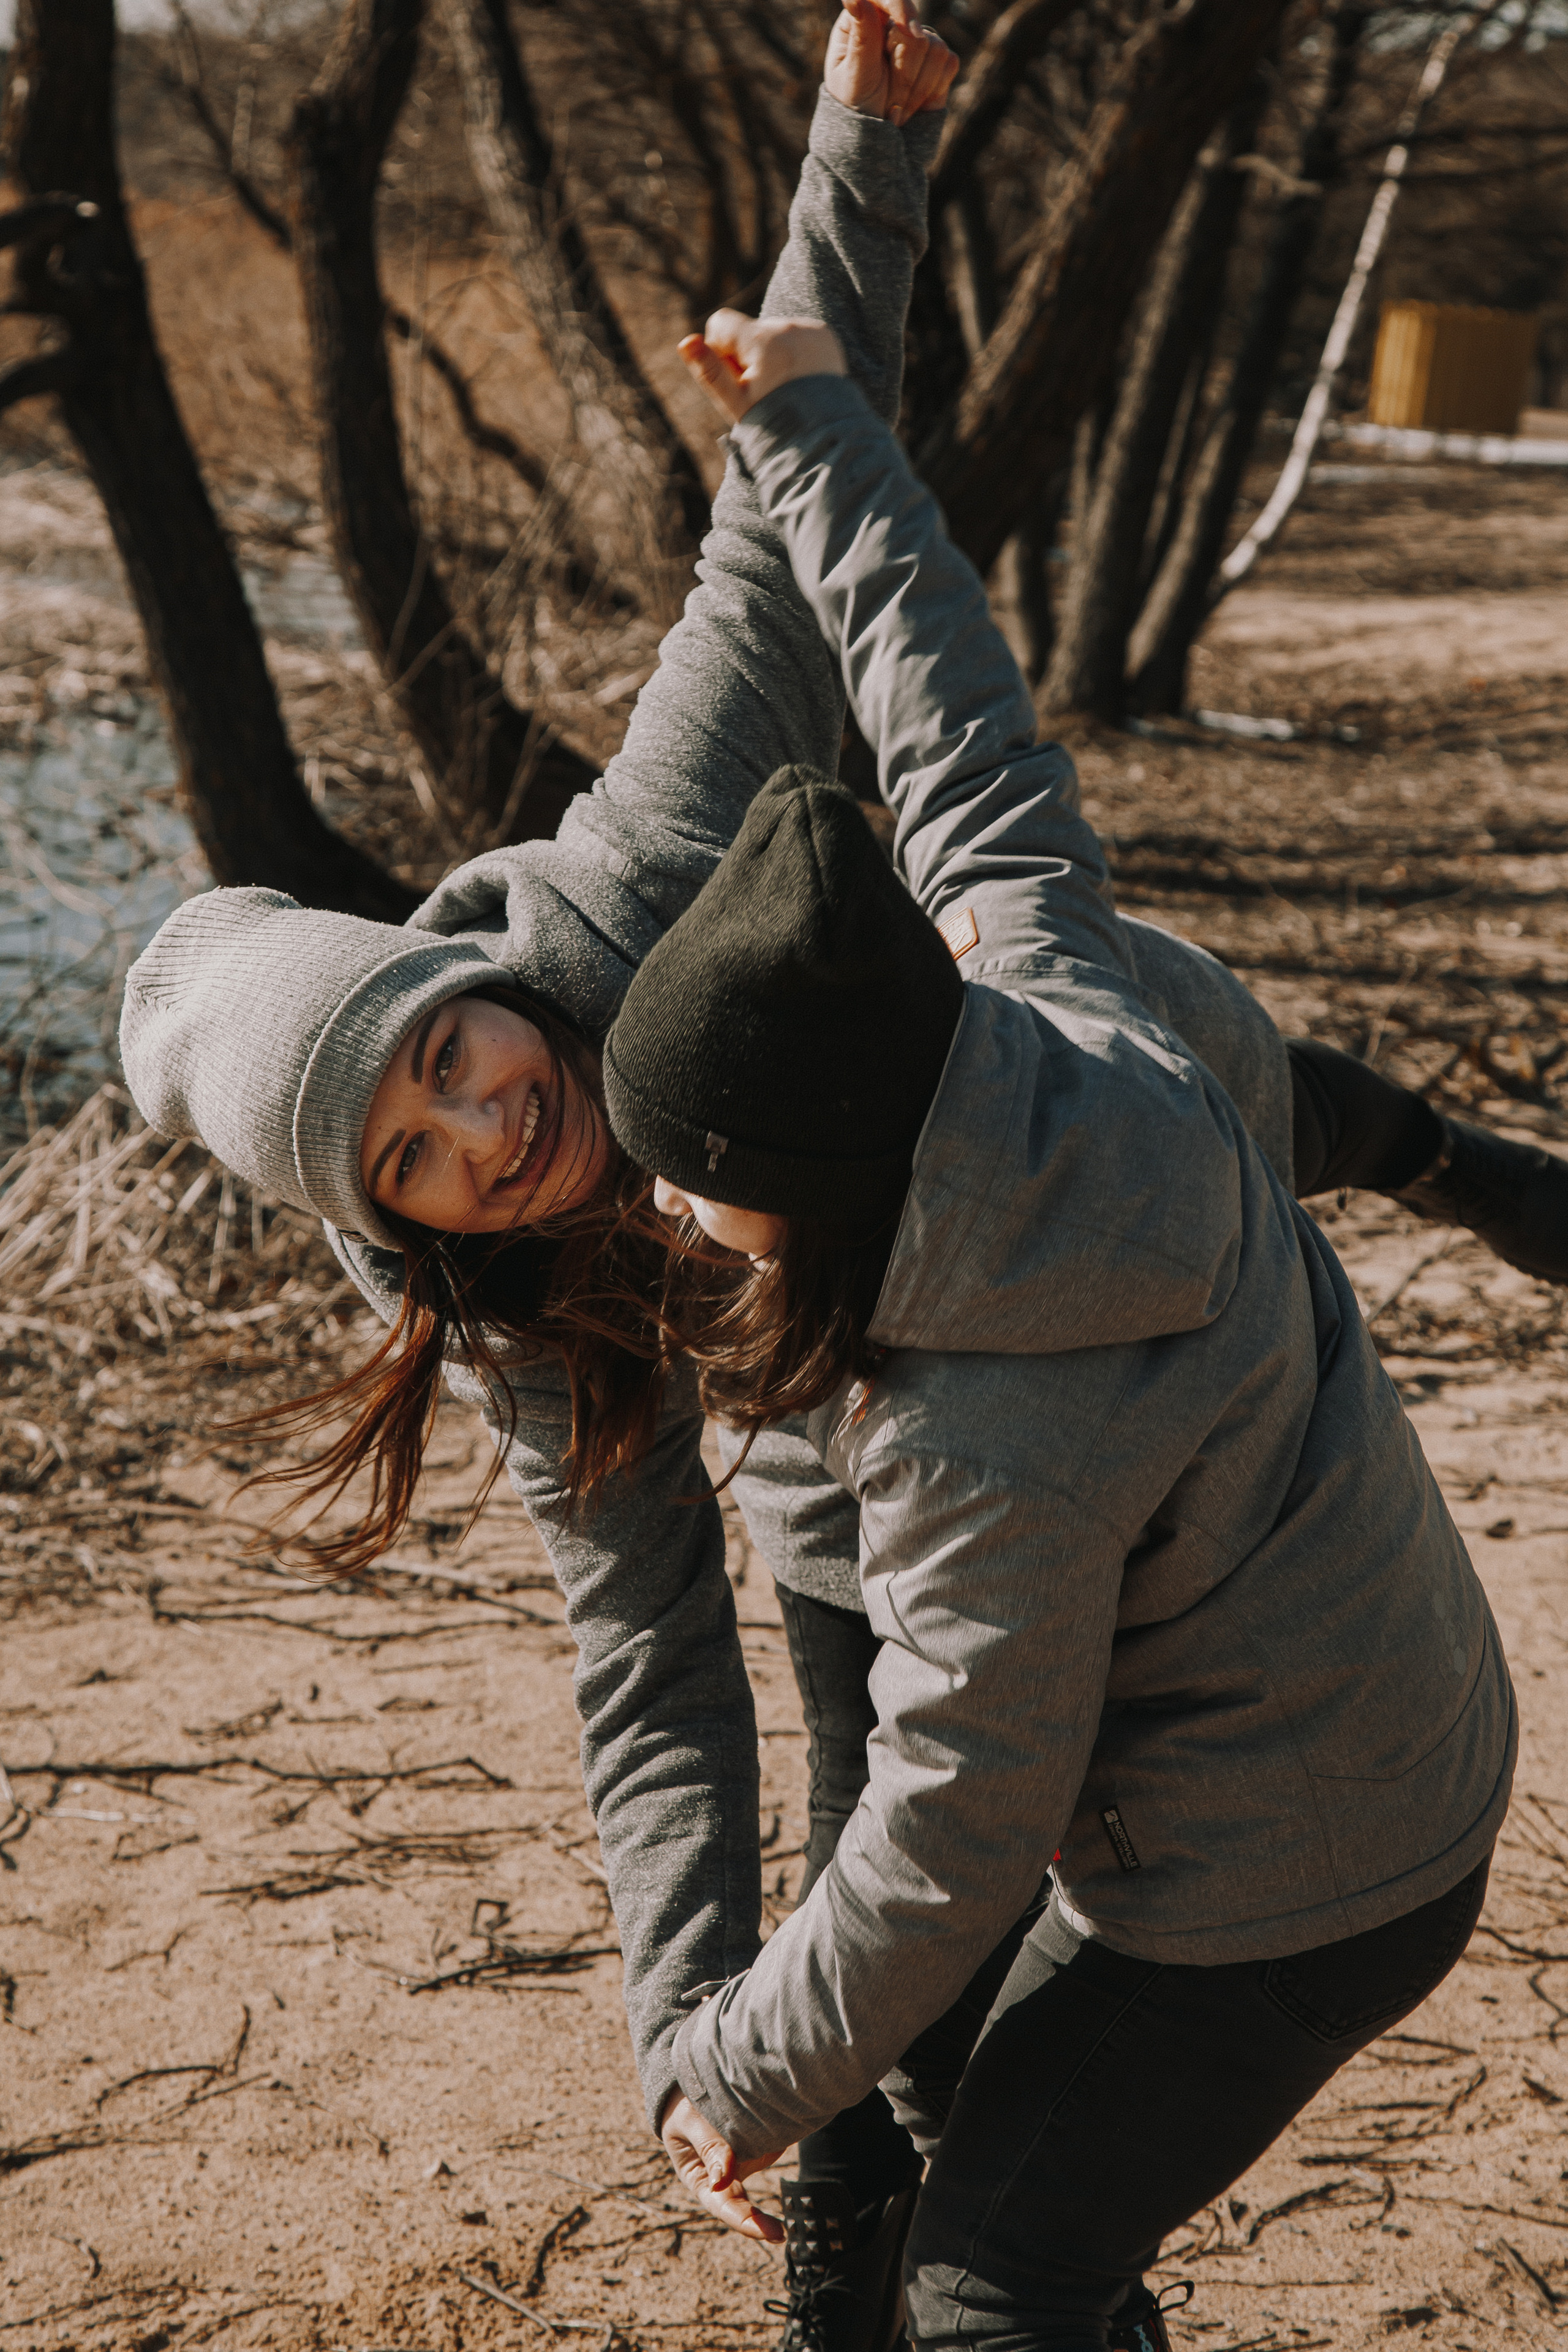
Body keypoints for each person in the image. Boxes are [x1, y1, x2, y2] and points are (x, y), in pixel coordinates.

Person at [115, 13, 1549, 2347]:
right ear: (397, 1226)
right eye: (415, 1164)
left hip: (1055, 1202)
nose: (487, 1134)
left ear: (469, 983)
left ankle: (1458, 1157)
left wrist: (860, 151)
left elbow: (795, 565)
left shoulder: (651, 867)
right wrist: (696, 2037)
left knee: (1229, 1103)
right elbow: (645, 1661)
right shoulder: (511, 1305)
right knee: (889, 2065)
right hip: (869, 1507)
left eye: (451, 1060)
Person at [595, 315, 1519, 2351]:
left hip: (1300, 1881)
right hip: (1378, 1718)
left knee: (988, 2279)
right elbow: (953, 712)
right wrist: (813, 416)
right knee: (994, 2161)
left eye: (690, 1174)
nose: (660, 1207)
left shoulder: (983, 1422)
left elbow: (952, 1828)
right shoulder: (1041, 994)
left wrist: (733, 2076)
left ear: (820, 1180)